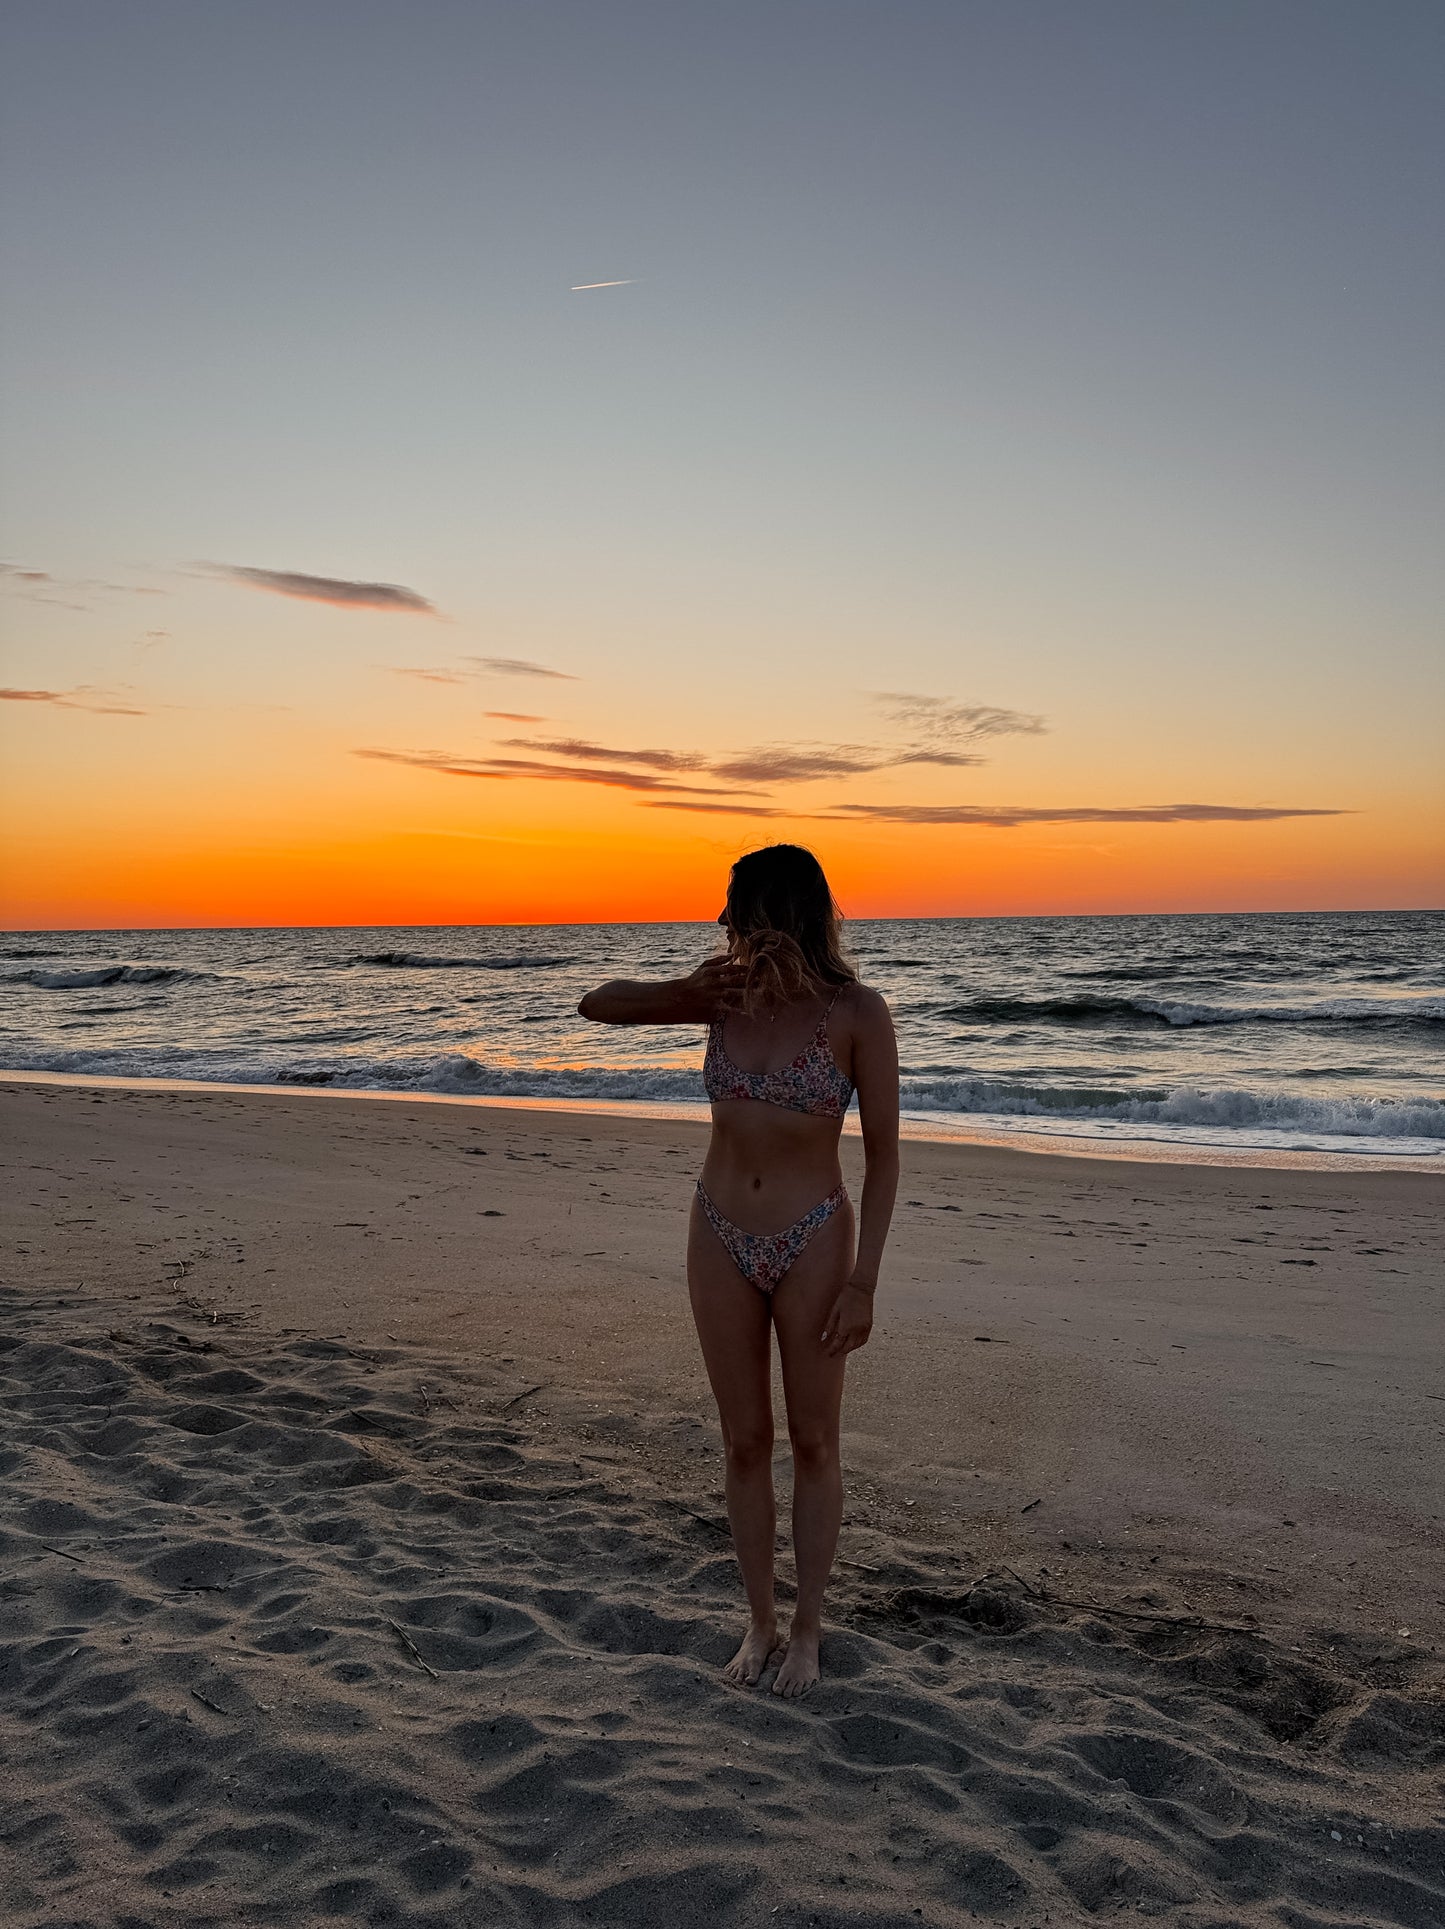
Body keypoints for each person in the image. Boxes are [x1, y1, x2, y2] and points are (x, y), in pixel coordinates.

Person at [578, 844, 900, 1696]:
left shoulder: (857, 1012)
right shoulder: (721, 994)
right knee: (744, 1439)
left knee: (814, 1439)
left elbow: (886, 1157)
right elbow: (595, 1003)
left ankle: (806, 1629)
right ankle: (757, 1620)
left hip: (815, 1238)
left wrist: (864, 1280)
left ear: (776, 909)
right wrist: (681, 995)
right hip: (716, 1229)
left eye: (734, 905)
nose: (721, 922)